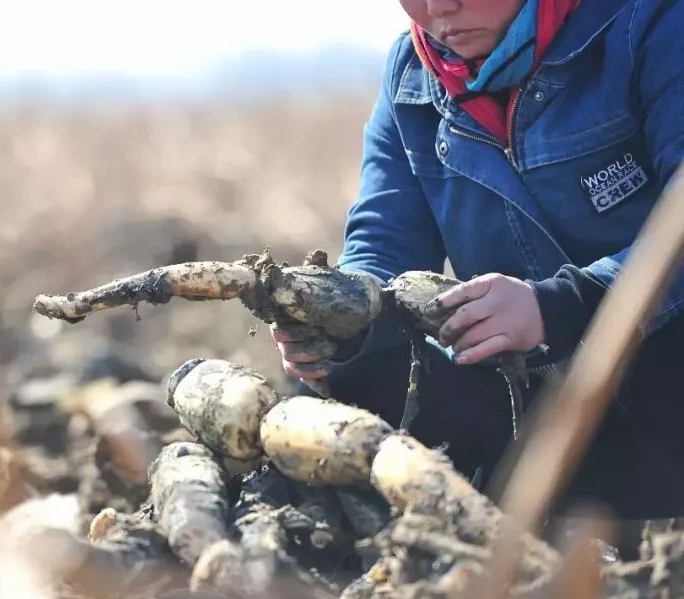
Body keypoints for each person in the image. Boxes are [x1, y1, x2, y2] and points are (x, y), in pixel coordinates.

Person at [272, 0, 684, 519]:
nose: (439, 6)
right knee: (357, 367)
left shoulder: (652, 22)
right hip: (544, 411)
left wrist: (556, 306)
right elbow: (382, 245)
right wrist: (335, 318)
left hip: (668, 391)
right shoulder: (411, 78)